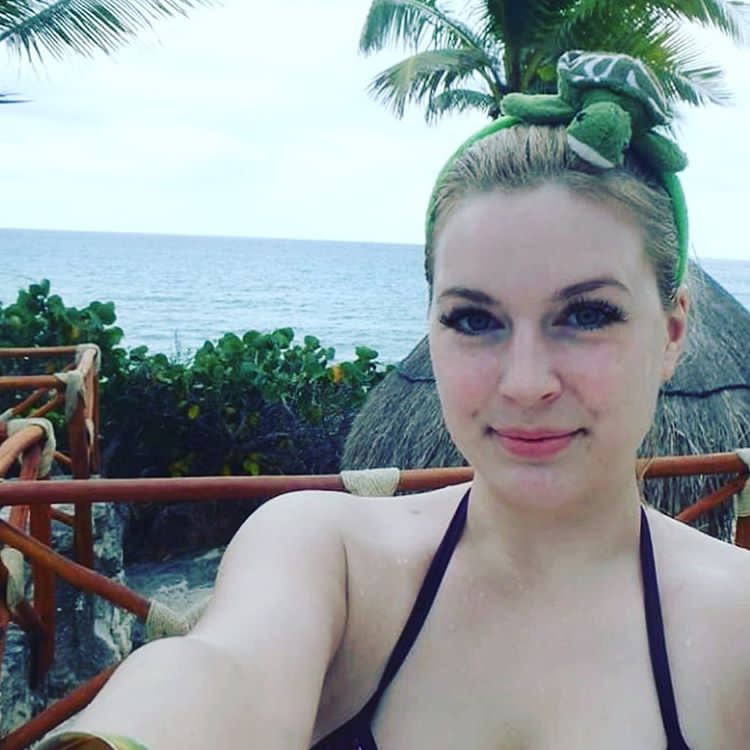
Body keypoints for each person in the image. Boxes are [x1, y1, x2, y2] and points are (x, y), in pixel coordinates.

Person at [41, 51, 750, 750]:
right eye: (474, 319)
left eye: (588, 314)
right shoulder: (334, 563)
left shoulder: (735, 627)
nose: (525, 381)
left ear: (673, 333)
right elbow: (221, 673)